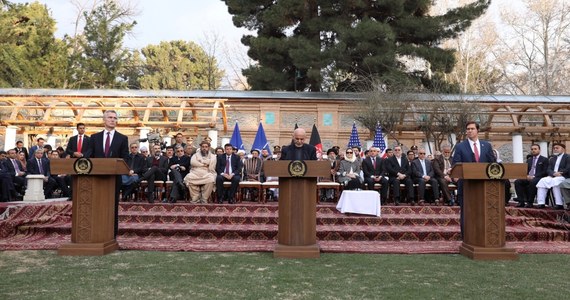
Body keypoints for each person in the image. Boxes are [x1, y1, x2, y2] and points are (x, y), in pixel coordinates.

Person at [87, 110, 129, 238]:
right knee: (96, 205)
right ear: (104, 120)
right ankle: (95, 231)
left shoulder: (122, 138)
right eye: (110, 117)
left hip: (114, 178)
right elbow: (89, 156)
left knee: (112, 206)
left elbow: (125, 158)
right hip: (97, 178)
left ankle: (112, 234)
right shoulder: (94, 138)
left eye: (115, 118)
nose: (113, 120)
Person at [451, 121, 495, 237]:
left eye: (472, 129)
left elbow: (493, 164)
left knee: (482, 211)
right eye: (468, 129)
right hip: (466, 185)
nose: (469, 131)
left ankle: (482, 235)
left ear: (477, 130)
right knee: (466, 211)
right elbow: (456, 163)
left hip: (483, 185)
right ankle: (466, 236)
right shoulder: (460, 146)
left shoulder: (487, 146)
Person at [535, 143, 569, 210]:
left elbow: (568, 168)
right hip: (553, 175)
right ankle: (541, 203)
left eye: (557, 148)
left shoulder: (568, 157)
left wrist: (560, 173)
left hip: (563, 176)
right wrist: (553, 173)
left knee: (555, 182)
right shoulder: (552, 159)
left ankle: (559, 204)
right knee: (542, 181)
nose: (555, 149)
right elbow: (548, 169)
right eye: (554, 148)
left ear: (563, 149)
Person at [514, 144, 548, 208]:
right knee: (517, 181)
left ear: (539, 150)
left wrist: (534, 176)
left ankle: (530, 202)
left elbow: (545, 171)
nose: (533, 150)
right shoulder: (529, 160)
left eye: (535, 149)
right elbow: (526, 170)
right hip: (528, 177)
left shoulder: (544, 159)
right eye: (532, 149)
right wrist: (526, 175)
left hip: (539, 177)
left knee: (533, 182)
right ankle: (521, 201)